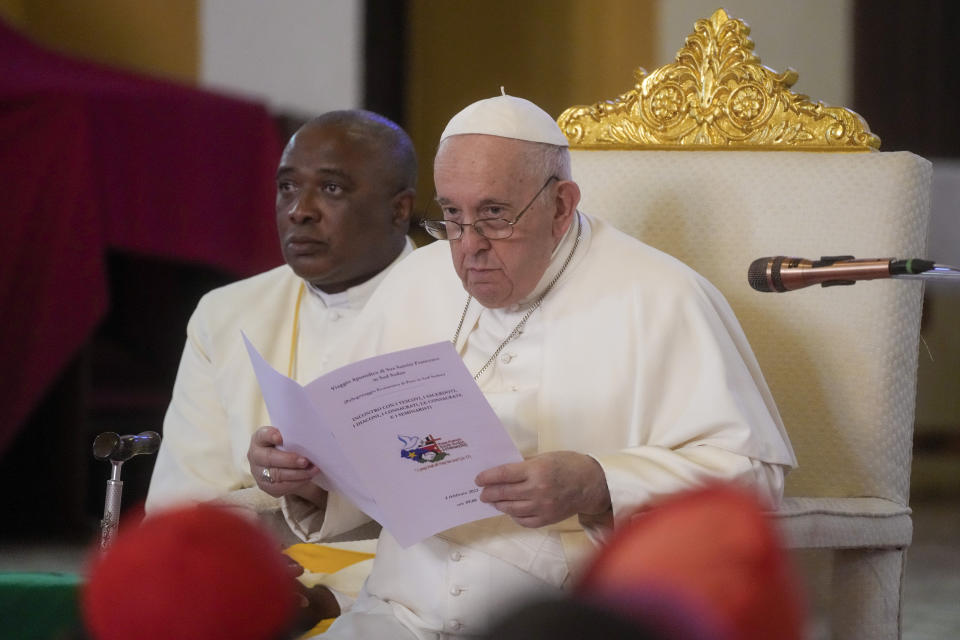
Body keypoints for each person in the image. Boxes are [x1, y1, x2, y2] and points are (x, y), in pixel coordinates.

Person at [248, 94, 797, 639]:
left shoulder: (662, 295)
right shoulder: (417, 279)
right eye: (452, 218)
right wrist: (307, 474)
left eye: (494, 215)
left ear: (561, 205)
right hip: (397, 616)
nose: (469, 249)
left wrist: (598, 483)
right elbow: (372, 455)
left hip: (573, 622)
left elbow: (753, 477)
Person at [147, 109, 417, 515]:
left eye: (331, 188)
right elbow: (184, 503)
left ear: (399, 210)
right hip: (256, 564)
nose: (299, 210)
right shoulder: (226, 314)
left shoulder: (462, 303)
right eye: (287, 187)